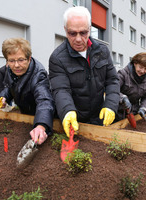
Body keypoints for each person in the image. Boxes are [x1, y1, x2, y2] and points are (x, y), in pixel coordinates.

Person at [49, 6, 120, 137]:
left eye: (83, 33)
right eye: (72, 33)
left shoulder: (102, 51)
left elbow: (112, 81)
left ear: (89, 30)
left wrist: (110, 105)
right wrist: (67, 111)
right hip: (75, 122)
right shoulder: (57, 58)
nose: (78, 39)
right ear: (65, 30)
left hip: (99, 119)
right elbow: (61, 89)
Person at [0, 37, 55, 145]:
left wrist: (41, 125)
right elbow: (10, 87)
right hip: (25, 117)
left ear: (29, 58)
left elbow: (44, 100)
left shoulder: (38, 75)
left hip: (39, 117)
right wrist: (3, 97)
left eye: (21, 60)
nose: (16, 65)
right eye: (11, 61)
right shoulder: (10, 70)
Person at [116, 52, 146, 121]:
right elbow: (113, 90)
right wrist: (123, 98)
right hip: (118, 113)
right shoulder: (123, 74)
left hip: (134, 113)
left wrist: (143, 108)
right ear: (135, 63)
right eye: (141, 67)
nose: (142, 71)